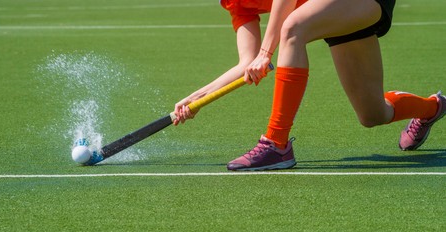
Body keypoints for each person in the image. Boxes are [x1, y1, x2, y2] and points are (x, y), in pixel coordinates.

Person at [174, 0, 445, 171]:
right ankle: (433, 107)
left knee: (292, 28)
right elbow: (247, 61)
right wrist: (196, 99)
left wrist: (266, 54)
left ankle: (276, 144)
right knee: (373, 114)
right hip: (333, 12)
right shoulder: (234, 3)